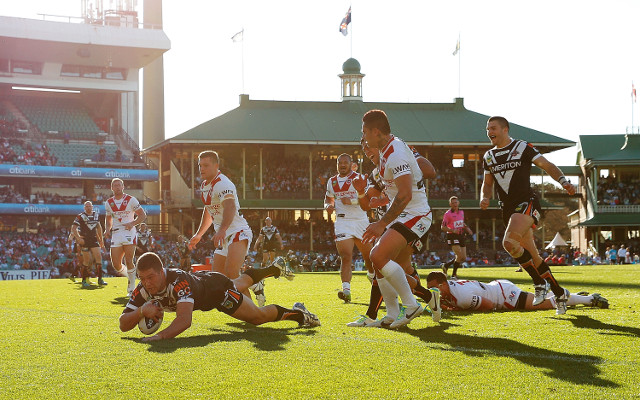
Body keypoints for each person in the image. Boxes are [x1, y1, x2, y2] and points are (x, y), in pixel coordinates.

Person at [480, 116, 576, 315]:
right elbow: (487, 183)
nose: (489, 132)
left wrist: (563, 180)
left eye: (493, 128)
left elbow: (547, 165)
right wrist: (484, 197)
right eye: (487, 129)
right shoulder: (488, 156)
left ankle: (539, 283)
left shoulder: (521, 147)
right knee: (534, 257)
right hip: (507, 209)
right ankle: (559, 294)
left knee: (508, 243)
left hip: (526, 203)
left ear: (505, 129)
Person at [348, 134, 441, 327]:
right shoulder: (377, 172)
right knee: (393, 269)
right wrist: (360, 191)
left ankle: (395, 309)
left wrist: (402, 174)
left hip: (413, 218)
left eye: (368, 145)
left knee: (381, 260)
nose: (367, 151)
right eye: (363, 149)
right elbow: (366, 205)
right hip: (395, 221)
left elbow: (429, 170)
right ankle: (420, 301)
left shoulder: (398, 152)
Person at [119, 252, 317, 341]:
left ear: (162, 271)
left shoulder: (178, 281)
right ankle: (273, 269)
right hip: (205, 283)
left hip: (217, 292)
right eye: (142, 279)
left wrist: (159, 337)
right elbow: (123, 324)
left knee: (257, 317)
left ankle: (300, 313)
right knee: (239, 284)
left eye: (151, 277)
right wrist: (141, 312)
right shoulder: (143, 288)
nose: (147, 283)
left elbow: (184, 320)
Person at [189, 150, 254, 281]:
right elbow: (208, 210)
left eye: (206, 165)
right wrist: (199, 234)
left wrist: (222, 230)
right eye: (200, 165)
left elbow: (230, 206)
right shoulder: (204, 185)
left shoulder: (222, 183)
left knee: (232, 273)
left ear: (216, 166)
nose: (201, 169)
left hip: (238, 231)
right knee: (219, 279)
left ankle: (250, 295)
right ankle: (253, 284)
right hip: (224, 235)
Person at [324, 153, 374, 303]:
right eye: (340, 163)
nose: (343, 165)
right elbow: (328, 198)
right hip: (342, 222)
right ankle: (346, 290)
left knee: (369, 258)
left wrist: (352, 201)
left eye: (345, 162)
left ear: (351, 164)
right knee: (345, 257)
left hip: (360, 221)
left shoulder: (359, 179)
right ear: (337, 165)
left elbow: (368, 200)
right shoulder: (332, 181)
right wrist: (328, 206)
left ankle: (373, 279)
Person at [426, 271, 609, 312]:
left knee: (545, 305)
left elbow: (489, 306)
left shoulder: (461, 296)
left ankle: (590, 299)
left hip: (504, 296)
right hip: (498, 287)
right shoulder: (450, 286)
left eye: (434, 288)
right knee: (544, 301)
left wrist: (458, 310)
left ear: (443, 284)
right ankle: (577, 297)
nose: (434, 292)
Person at [104, 178, 147, 296]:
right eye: (115, 185)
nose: (117, 187)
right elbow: (108, 219)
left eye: (119, 185)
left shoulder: (131, 200)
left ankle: (131, 288)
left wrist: (132, 223)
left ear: (123, 187)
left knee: (129, 260)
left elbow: (142, 215)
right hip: (116, 233)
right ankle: (133, 277)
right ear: (111, 188)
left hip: (129, 232)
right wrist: (107, 229)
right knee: (116, 264)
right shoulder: (108, 203)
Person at [71, 201, 107, 288]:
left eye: (89, 206)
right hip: (85, 240)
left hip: (94, 240)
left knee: (99, 257)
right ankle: (84, 280)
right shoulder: (80, 216)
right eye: (86, 206)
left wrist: (101, 240)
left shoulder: (96, 215)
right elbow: (73, 228)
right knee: (86, 260)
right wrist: (78, 238)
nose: (88, 208)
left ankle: (100, 279)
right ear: (84, 207)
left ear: (92, 207)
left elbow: (99, 227)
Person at [440, 196, 473, 280]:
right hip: (452, 235)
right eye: (453, 203)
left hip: (461, 235)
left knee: (463, 257)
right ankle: (454, 275)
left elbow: (461, 223)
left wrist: (467, 228)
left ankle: (446, 265)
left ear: (458, 203)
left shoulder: (461, 212)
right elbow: (443, 227)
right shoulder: (447, 214)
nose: (455, 204)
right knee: (459, 254)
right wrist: (452, 230)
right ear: (450, 204)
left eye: (456, 202)